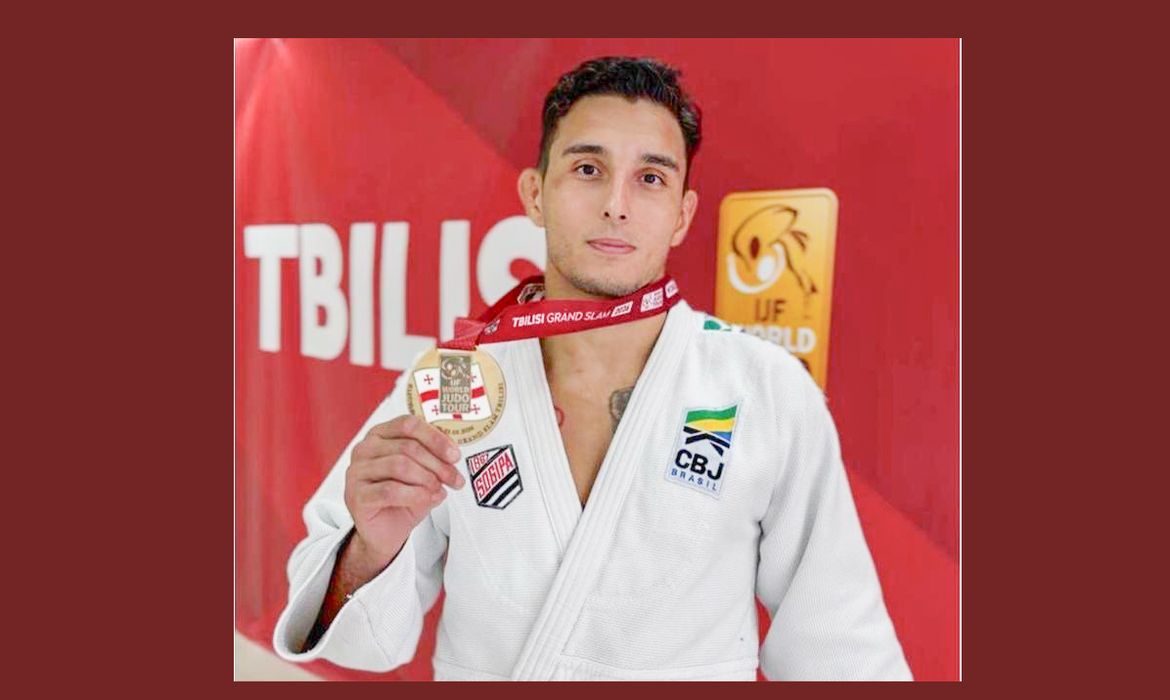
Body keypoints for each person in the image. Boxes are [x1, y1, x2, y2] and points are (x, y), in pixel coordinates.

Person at [272, 56, 912, 681]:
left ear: (683, 215)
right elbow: (360, 638)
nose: (616, 204)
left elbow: (839, 645)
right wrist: (369, 550)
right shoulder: (457, 379)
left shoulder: (764, 388)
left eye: (651, 178)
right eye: (587, 169)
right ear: (535, 194)